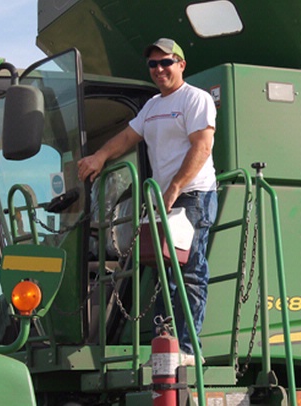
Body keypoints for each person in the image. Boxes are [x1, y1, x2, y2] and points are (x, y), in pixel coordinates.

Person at [77, 38, 217, 366]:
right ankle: (165, 348)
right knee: (164, 274)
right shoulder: (153, 106)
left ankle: (188, 349)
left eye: (166, 62)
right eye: (153, 65)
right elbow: (127, 137)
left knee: (190, 271)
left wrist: (175, 187)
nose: (159, 70)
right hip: (164, 197)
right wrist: (99, 156)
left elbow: (203, 147)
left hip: (193, 194)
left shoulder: (196, 99)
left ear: (181, 64)